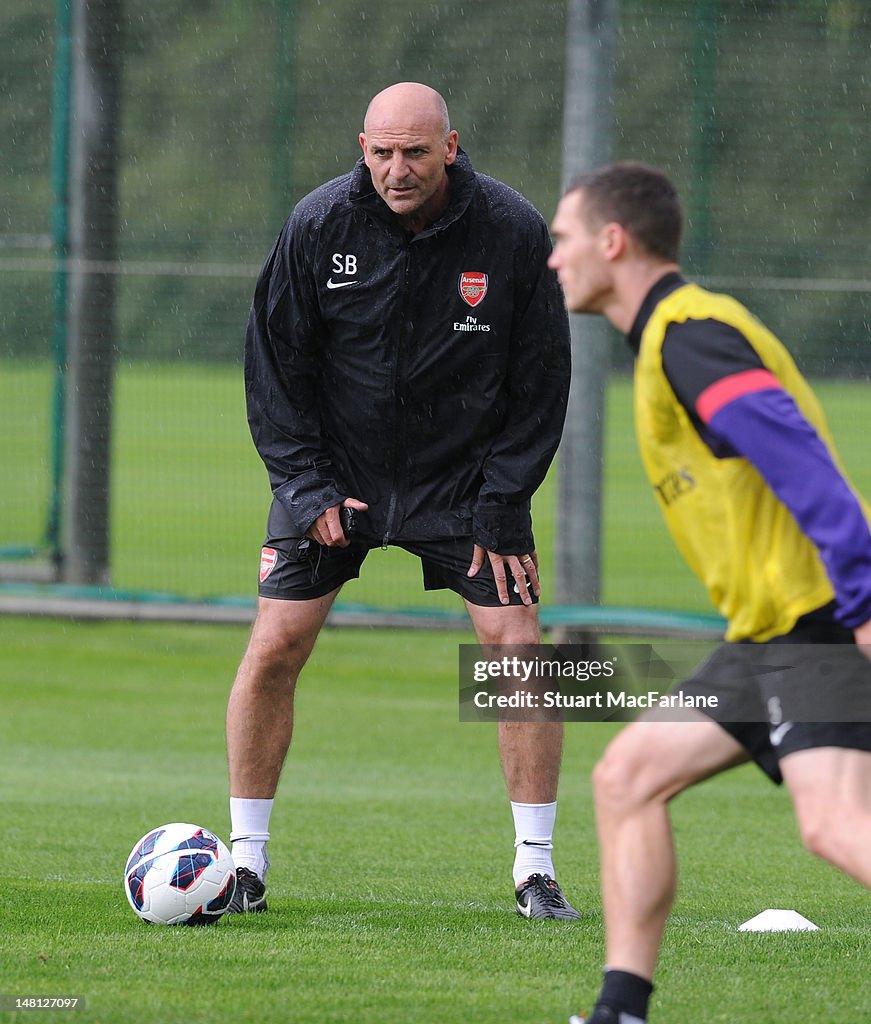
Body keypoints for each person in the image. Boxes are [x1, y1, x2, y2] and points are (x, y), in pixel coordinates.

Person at [225, 82, 579, 920]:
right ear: (361, 147)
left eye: (414, 152)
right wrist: (305, 485)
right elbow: (274, 369)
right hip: (335, 476)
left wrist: (502, 501)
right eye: (380, 152)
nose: (396, 169)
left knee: (517, 648)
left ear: (450, 147)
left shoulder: (511, 231)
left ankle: (535, 871)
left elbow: (540, 381)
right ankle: (246, 866)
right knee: (274, 645)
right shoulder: (317, 225)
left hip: (462, 483)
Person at [547, 162, 871, 1024]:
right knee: (626, 778)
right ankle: (620, 1009)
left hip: (815, 621)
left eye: (562, 238)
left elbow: (798, 460)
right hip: (767, 630)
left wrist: (865, 600)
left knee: (834, 825)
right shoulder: (665, 341)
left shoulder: (689, 335)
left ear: (611, 243)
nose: (552, 259)